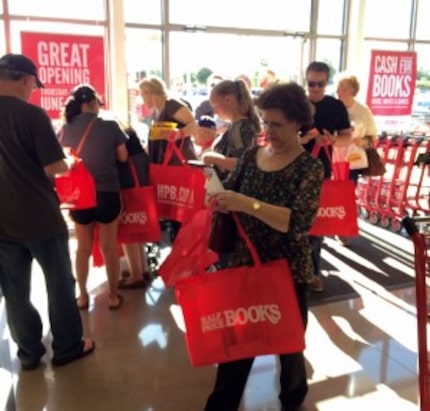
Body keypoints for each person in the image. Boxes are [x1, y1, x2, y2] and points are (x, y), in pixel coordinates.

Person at [204, 82, 325, 411]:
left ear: (298, 123)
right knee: (239, 345)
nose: (269, 131)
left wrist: (246, 203)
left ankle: (292, 401)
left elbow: (298, 222)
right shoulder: (250, 155)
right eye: (265, 122)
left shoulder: (309, 167)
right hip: (247, 265)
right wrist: (219, 196)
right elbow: (230, 194)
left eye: (277, 125)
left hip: (288, 270)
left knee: (289, 346)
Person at [0, 53, 95, 370]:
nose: (33, 92)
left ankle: (28, 353)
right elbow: (54, 166)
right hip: (39, 215)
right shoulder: (32, 116)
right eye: (33, 85)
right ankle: (68, 347)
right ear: (25, 80)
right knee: (58, 284)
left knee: (15, 290)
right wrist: (68, 161)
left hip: (2, 221)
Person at [60, 84, 128, 310]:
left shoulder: (64, 128)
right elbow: (123, 157)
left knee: (83, 248)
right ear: (90, 103)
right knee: (109, 247)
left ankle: (82, 296)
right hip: (107, 191)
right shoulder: (110, 126)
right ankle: (113, 296)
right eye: (98, 103)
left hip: (80, 196)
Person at [300, 61, 351, 292]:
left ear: (327, 82)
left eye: (321, 84)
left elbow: (346, 137)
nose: (316, 88)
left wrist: (331, 141)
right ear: (306, 81)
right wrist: (303, 139)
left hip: (320, 170)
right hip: (292, 167)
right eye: (312, 83)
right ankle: (294, 269)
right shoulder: (296, 104)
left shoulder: (335, 106)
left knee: (315, 226)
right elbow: (278, 137)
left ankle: (312, 272)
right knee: (290, 223)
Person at [202, 79, 261, 181]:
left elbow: (244, 163)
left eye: (215, 105)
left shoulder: (241, 127)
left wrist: (213, 158)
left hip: (232, 192)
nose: (214, 112)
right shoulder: (239, 126)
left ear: (228, 100)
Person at [117, 125, 154, 289]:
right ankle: (143, 269)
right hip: (141, 187)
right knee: (138, 230)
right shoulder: (137, 148)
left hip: (128, 188)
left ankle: (136, 275)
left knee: (128, 232)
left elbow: (122, 157)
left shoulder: (115, 136)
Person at [138, 76, 197, 165]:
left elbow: (194, 125)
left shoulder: (171, 104)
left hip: (178, 162)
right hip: (165, 161)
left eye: (142, 95)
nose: (142, 100)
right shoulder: (157, 111)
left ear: (150, 93)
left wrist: (179, 133)